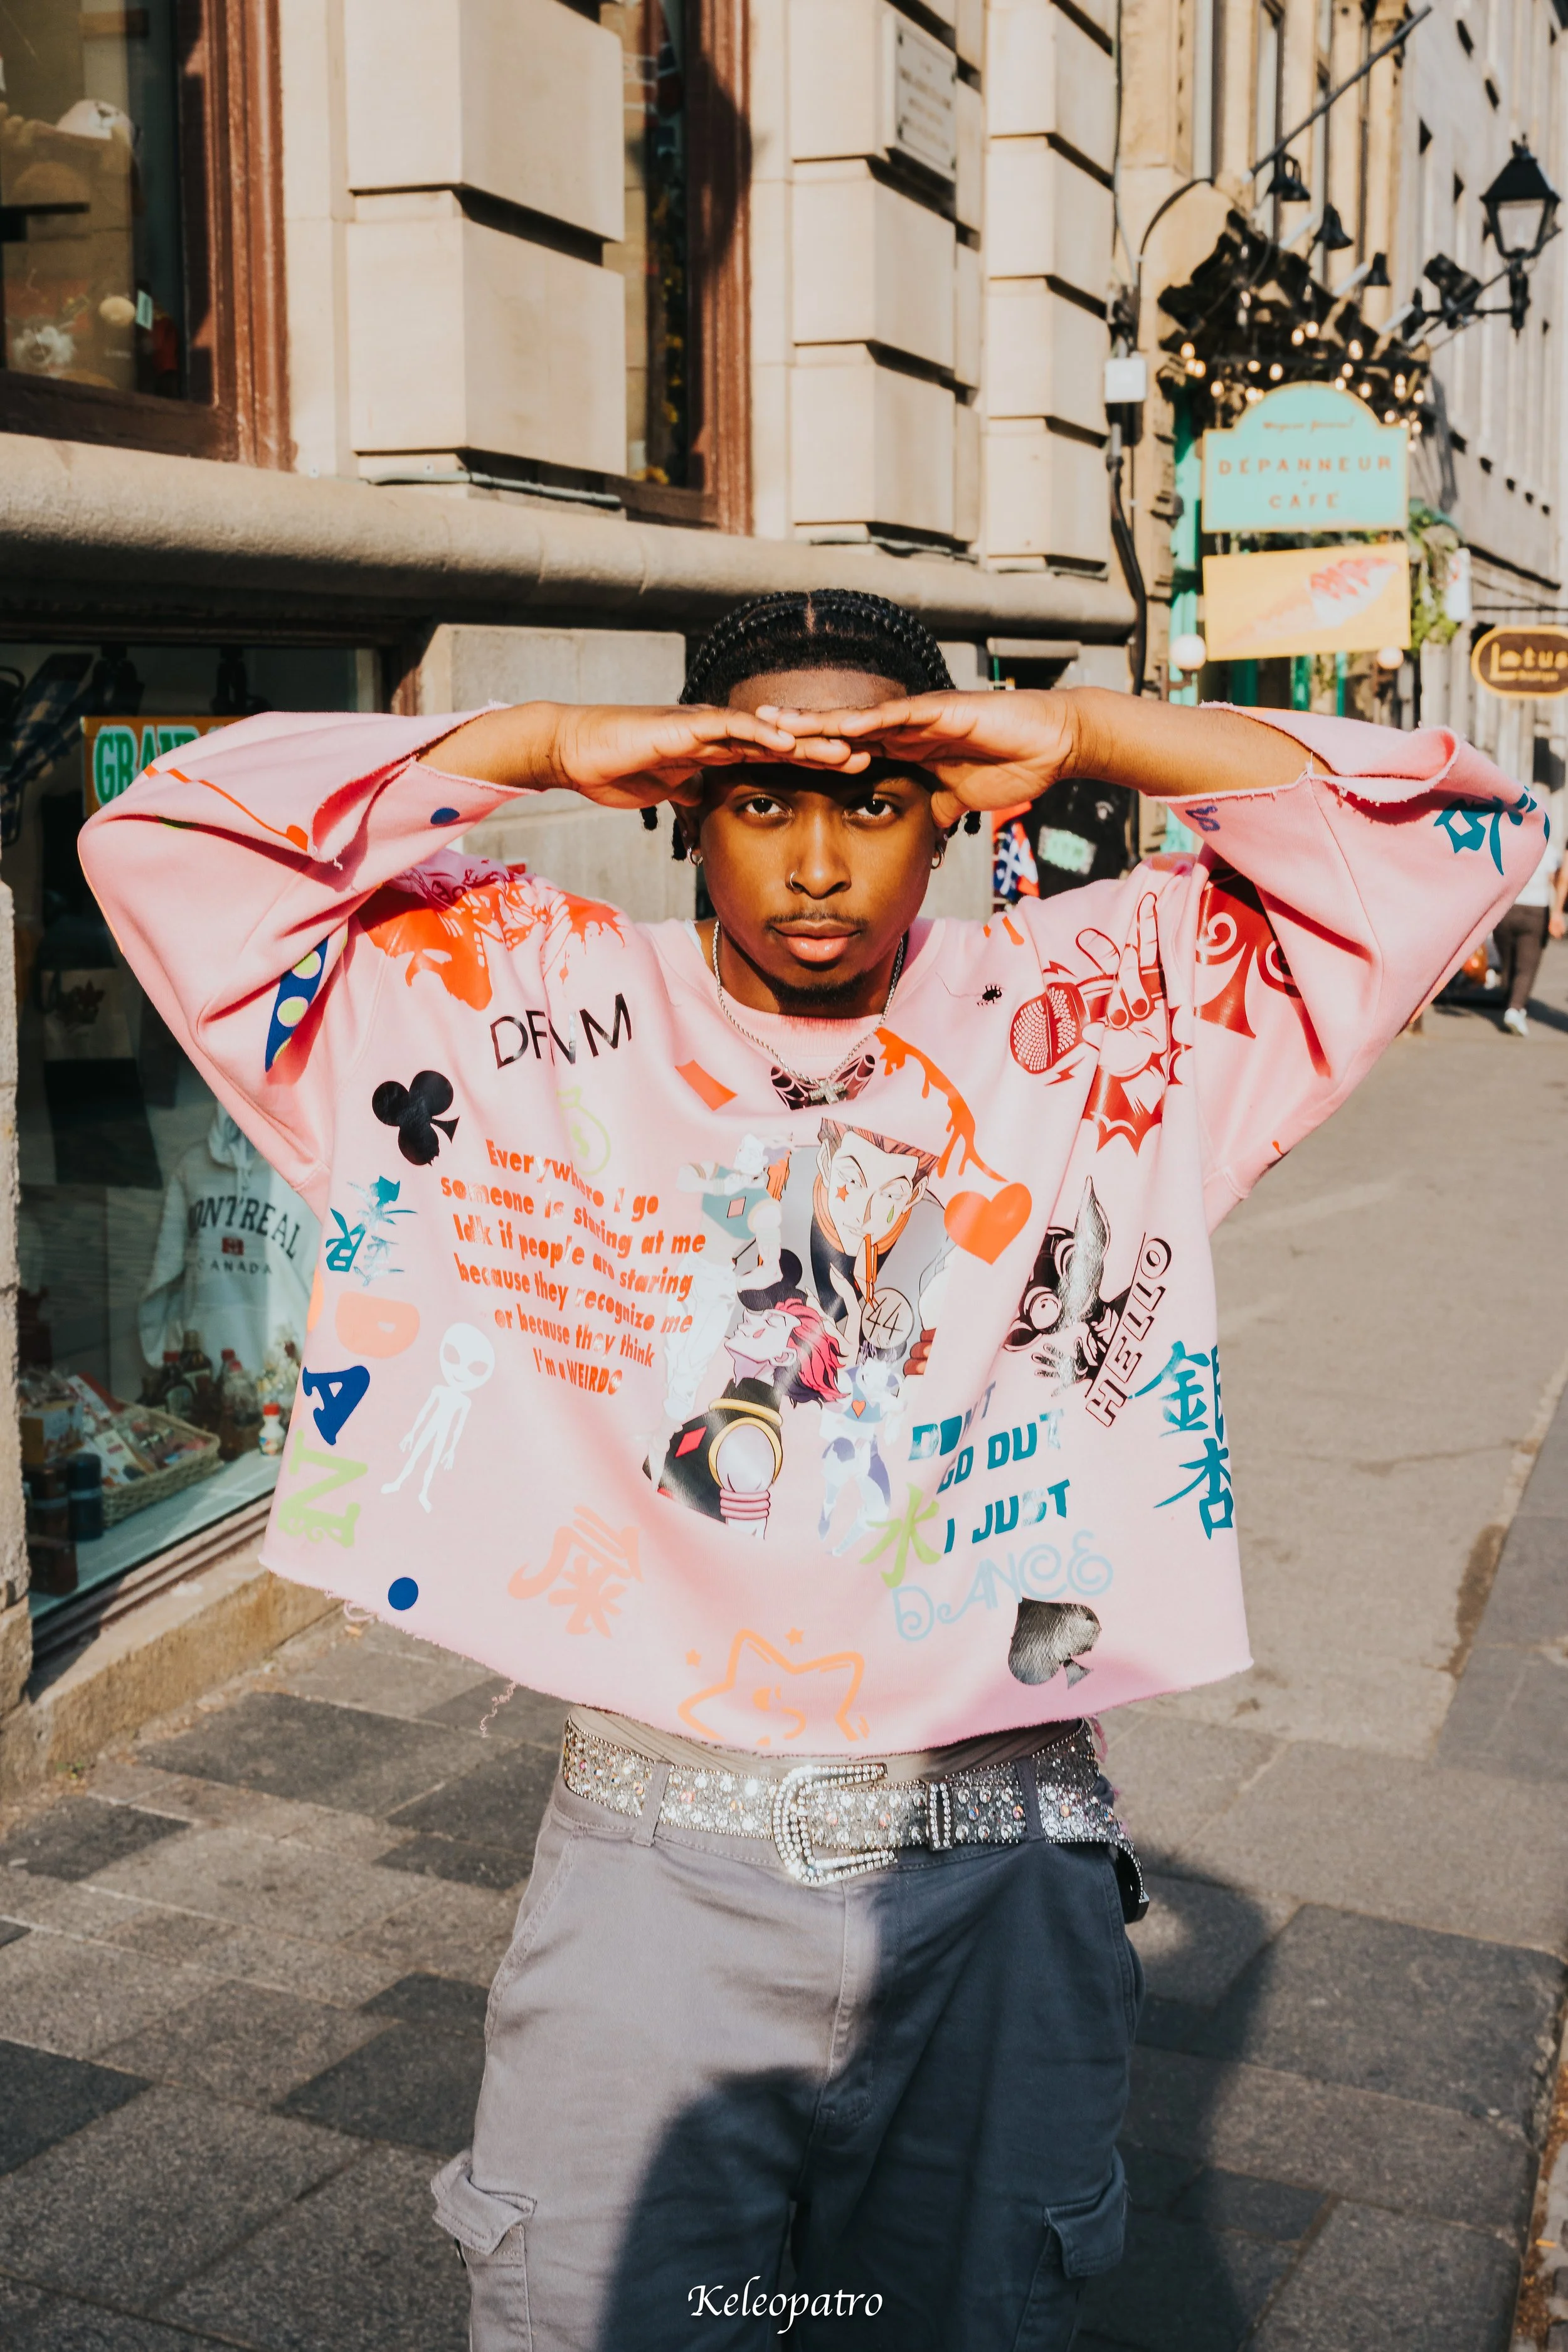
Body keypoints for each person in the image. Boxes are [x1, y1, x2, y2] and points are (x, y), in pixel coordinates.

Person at [80, 591, 1541, 2351]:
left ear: (949, 809)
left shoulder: (1093, 1014)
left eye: (873, 793)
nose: (820, 861)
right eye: (764, 799)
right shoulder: (523, 999)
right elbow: (166, 840)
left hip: (1001, 1862)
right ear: (685, 808)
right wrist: (541, 744)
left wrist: (1076, 731)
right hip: (651, 1860)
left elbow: (1442, 828)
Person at [1495, 810, 1562, 1036]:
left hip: (1506, 910)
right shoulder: (1548, 850)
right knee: (1527, 966)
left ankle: (1511, 998)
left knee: (1508, 961)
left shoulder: (1509, 845)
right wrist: (1556, 915)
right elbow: (1555, 883)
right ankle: (1515, 1008)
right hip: (1536, 912)